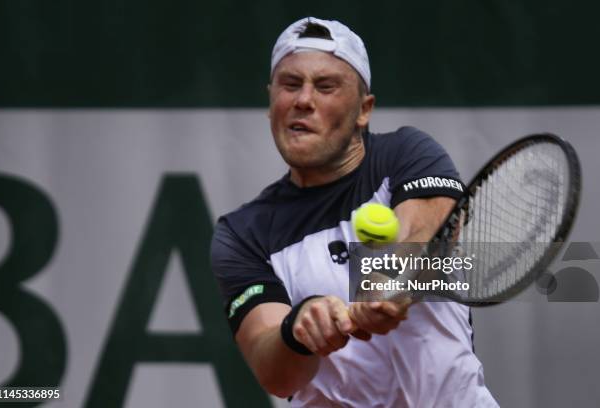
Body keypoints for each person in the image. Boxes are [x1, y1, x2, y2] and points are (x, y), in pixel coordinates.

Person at [211, 16, 498, 407]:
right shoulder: (243, 233)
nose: (303, 100)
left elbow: (431, 233)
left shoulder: (406, 154)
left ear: (364, 109)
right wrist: (298, 330)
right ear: (271, 101)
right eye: (290, 84)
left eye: (325, 86)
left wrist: (392, 282)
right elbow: (275, 374)